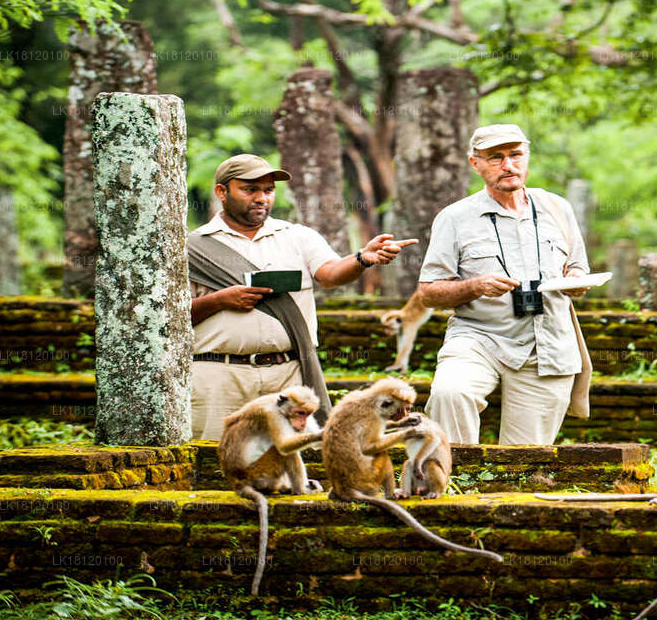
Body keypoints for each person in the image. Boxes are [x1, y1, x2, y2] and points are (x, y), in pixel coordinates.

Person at [187, 154, 417, 441]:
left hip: (288, 373)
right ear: (222, 191)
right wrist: (220, 300)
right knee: (216, 457)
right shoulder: (192, 247)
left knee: (295, 461)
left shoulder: (297, 237)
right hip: (219, 375)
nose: (261, 198)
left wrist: (362, 258)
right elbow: (173, 318)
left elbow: (331, 274)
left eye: (268, 190)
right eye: (249, 190)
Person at [417, 124, 593, 445]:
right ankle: (448, 483)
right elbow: (428, 291)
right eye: (495, 158)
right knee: (450, 393)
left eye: (515, 155)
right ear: (475, 164)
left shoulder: (557, 208)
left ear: (527, 156)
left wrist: (576, 283)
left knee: (522, 461)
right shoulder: (454, 218)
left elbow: (577, 268)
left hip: (547, 345)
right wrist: (475, 286)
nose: (508, 165)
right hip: (479, 337)